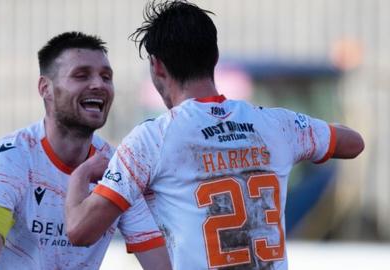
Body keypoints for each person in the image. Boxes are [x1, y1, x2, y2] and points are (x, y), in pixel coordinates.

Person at [65, 1, 365, 270]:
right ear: (215, 56)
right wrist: (303, 129)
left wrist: (83, 172)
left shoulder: (151, 139)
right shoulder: (277, 125)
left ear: (156, 66)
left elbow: (80, 230)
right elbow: (353, 143)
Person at [0, 32, 171, 270]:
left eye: (106, 77)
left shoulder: (118, 167)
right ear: (45, 88)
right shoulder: (8, 160)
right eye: (81, 75)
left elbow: (161, 265)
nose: (98, 84)